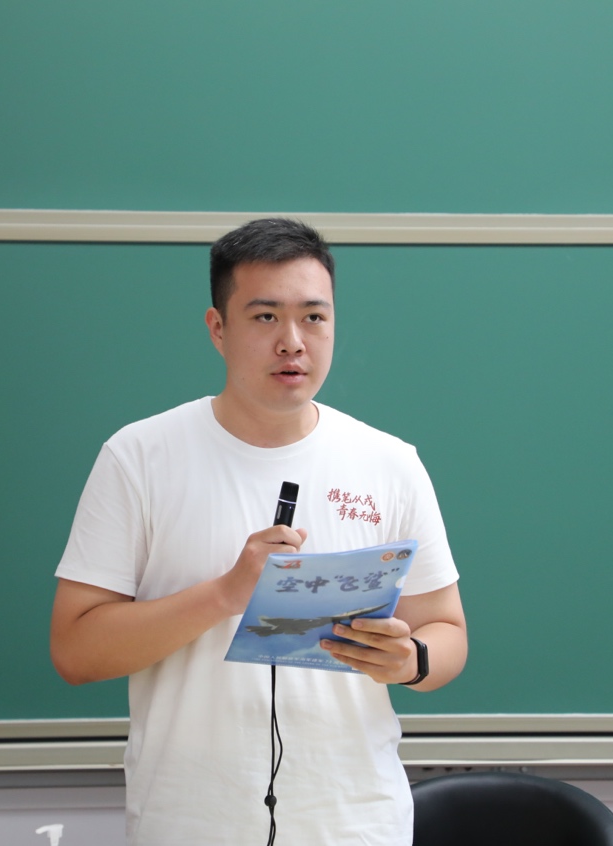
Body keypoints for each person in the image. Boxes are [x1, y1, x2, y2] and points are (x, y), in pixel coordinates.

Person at [51, 218, 466, 846]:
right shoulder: (139, 457)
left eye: (314, 318)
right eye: (265, 317)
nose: (292, 342)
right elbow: (75, 652)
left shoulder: (390, 463)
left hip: (353, 820)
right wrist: (224, 595)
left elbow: (448, 632)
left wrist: (411, 660)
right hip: (191, 823)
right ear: (218, 328)